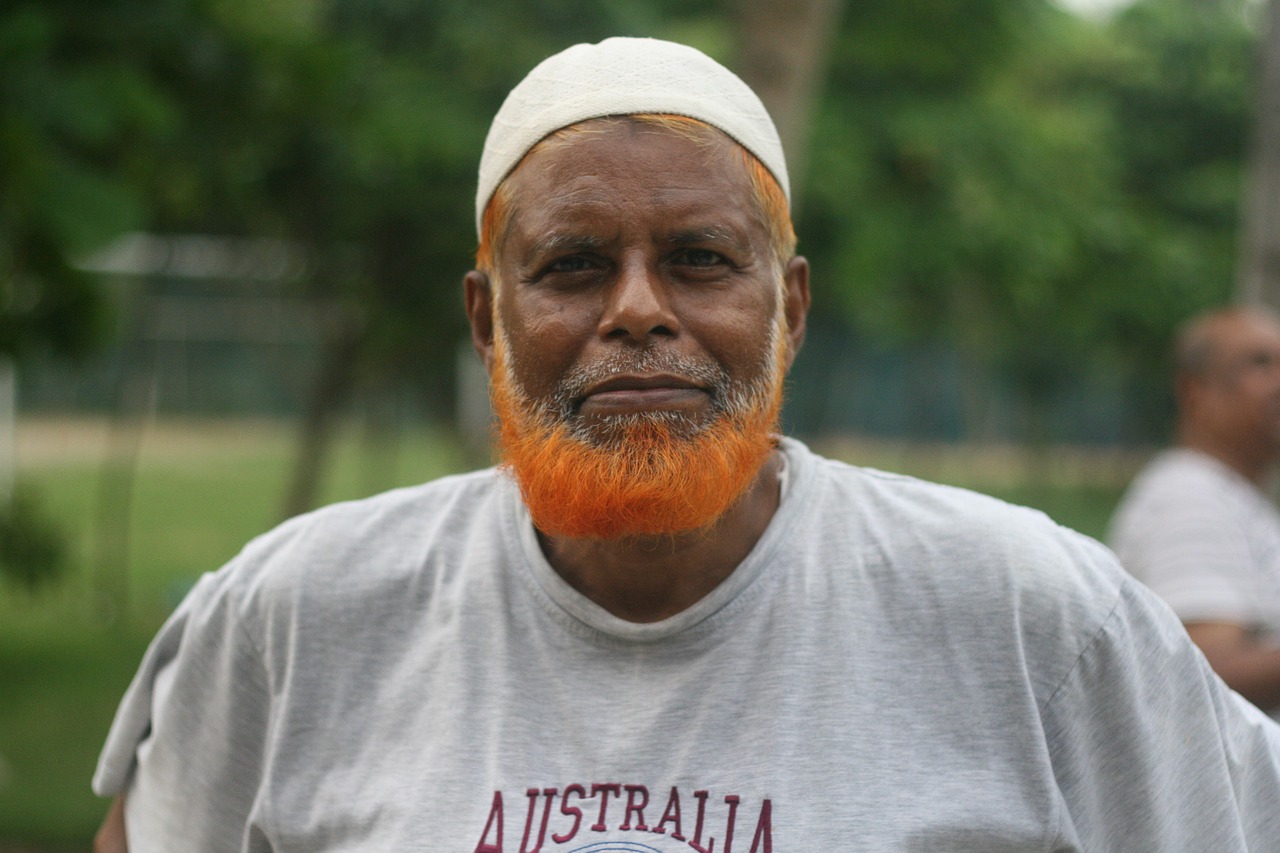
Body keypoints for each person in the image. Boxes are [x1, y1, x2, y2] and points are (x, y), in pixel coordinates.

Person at [93, 37, 1280, 852]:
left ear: (791, 308)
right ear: (482, 319)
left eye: (700, 261)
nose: (636, 310)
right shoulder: (297, 614)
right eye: (569, 266)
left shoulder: (1028, 615)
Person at [1109, 306, 1280, 716]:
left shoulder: (1230, 496)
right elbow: (1204, 671)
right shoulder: (1191, 497)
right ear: (1194, 391)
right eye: (1260, 364)